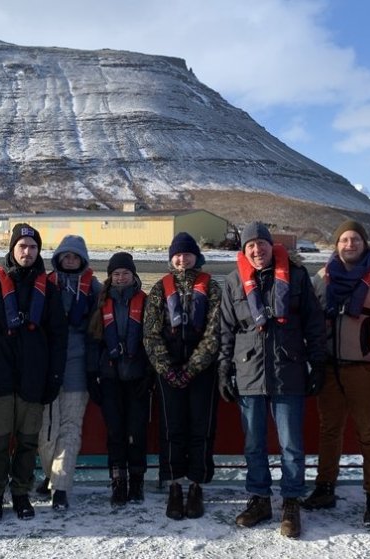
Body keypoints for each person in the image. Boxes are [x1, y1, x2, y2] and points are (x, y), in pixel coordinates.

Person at [218, 222, 326, 539]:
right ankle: (260, 499)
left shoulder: (297, 276)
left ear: (270, 245)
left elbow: (314, 325)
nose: (257, 250)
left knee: (291, 445)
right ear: (244, 250)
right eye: (250, 246)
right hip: (249, 373)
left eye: (261, 244)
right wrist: (224, 368)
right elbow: (225, 330)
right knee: (254, 444)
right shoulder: (233, 282)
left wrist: (317, 364)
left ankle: (291, 501)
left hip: (288, 372)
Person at [0, 223, 68, 521]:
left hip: (33, 380)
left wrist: (55, 377)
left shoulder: (48, 290)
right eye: (22, 246)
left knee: (26, 442)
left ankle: (21, 493)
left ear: (39, 252)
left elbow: (59, 336)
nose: (27, 251)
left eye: (33, 247)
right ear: (12, 249)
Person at [303, 220, 370, 527]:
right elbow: (308, 317)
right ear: (336, 244)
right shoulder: (322, 276)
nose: (349, 244)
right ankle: (325, 487)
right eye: (343, 239)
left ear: (365, 243)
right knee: (329, 431)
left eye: (355, 239)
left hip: (366, 369)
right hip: (329, 367)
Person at [142, 231, 222, 521]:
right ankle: (174, 484)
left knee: (202, 427)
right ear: (171, 258)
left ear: (196, 257)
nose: (182, 258)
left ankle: (197, 485)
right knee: (171, 428)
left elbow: (215, 331)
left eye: (187, 254)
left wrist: (192, 367)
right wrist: (167, 369)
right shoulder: (159, 290)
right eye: (177, 254)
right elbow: (150, 334)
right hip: (169, 372)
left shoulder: (212, 287)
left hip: (202, 371)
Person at [35, 235, 102, 510]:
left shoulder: (94, 288)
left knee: (70, 428)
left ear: (83, 260)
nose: (70, 260)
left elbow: (100, 330)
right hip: (48, 365)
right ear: (59, 258)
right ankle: (52, 475)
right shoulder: (44, 285)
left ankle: (60, 488)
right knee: (46, 431)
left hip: (77, 365)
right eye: (66, 255)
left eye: (75, 256)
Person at [88, 252, 153, 506]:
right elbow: (93, 342)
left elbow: (152, 341)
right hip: (110, 377)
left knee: (136, 431)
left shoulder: (145, 301)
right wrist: (92, 375)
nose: (121, 277)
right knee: (115, 432)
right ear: (110, 277)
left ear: (133, 275)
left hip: (137, 377)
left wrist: (149, 374)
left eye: (125, 273)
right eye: (116, 274)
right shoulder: (101, 303)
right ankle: (118, 481)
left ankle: (137, 480)